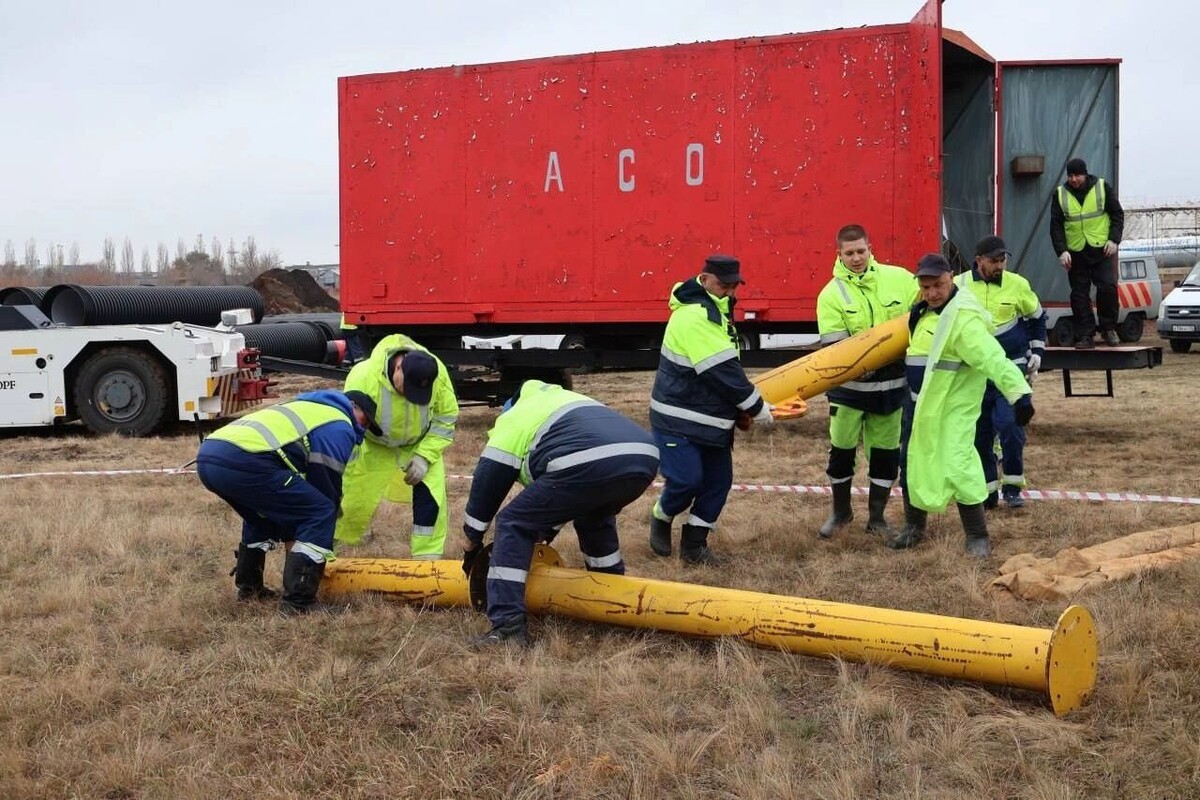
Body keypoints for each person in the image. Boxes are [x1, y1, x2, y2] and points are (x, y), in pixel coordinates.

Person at [460, 380, 660, 647]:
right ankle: (613, 601)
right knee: (594, 517)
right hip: (643, 456)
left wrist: (472, 541)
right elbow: (557, 502)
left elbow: (488, 481)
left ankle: (508, 628)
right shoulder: (564, 400)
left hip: (587, 460)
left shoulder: (516, 416)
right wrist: (543, 534)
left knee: (514, 522)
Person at [887, 253, 1034, 558]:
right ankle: (914, 527)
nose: (932, 293)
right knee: (911, 461)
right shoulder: (922, 310)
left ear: (951, 277)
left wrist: (1019, 393)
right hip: (920, 406)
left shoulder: (962, 320)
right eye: (926, 287)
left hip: (952, 409)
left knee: (959, 464)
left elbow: (992, 357)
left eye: (938, 285)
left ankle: (977, 535)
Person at [196, 389, 380, 614]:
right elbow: (325, 483)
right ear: (353, 407)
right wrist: (323, 530)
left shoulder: (304, 407)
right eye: (366, 420)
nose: (365, 428)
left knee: (262, 515)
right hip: (245, 459)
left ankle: (250, 589)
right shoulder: (340, 423)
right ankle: (298, 602)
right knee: (320, 512)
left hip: (209, 456)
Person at [647, 254, 773, 565]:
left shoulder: (718, 309)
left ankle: (694, 547)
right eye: (724, 286)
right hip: (677, 418)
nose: (730, 292)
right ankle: (661, 515)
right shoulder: (694, 317)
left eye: (734, 286)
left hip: (711, 419)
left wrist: (736, 411)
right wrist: (755, 406)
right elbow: (722, 371)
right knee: (687, 481)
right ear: (704, 280)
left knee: (718, 483)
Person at [814, 224, 917, 539]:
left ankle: (877, 518)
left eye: (861, 251)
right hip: (849, 392)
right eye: (850, 253)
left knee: (886, 457)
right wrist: (866, 363)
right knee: (841, 452)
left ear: (870, 248)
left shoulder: (900, 279)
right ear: (839, 254)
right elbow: (836, 347)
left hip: (891, 391)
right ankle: (840, 513)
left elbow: (924, 314)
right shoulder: (831, 295)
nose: (856, 258)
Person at [334, 334, 459, 558]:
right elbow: (350, 423)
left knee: (431, 501)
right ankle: (325, 552)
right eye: (408, 389)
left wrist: (425, 456)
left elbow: (446, 417)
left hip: (418, 444)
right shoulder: (364, 377)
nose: (411, 397)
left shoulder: (435, 372)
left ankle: (427, 563)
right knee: (349, 500)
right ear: (398, 368)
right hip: (374, 446)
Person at [956, 235, 1048, 510]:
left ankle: (1012, 486)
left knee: (1010, 426)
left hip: (1011, 368)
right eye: (994, 261)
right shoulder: (959, 286)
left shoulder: (1018, 284)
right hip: (974, 372)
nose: (999, 265)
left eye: (1003, 260)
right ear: (978, 260)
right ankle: (988, 491)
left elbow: (1037, 318)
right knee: (980, 434)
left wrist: (1038, 353)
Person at [1050, 157, 1125, 349]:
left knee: (1107, 287)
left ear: (1085, 174)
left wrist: (1114, 239)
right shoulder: (1060, 194)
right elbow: (1056, 226)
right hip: (1075, 252)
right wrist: (1062, 251)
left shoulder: (1101, 187)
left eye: (1077, 175)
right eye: (1071, 176)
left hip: (1101, 249)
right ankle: (1086, 334)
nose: (1074, 179)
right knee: (1079, 295)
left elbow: (1117, 214)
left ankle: (1109, 328)